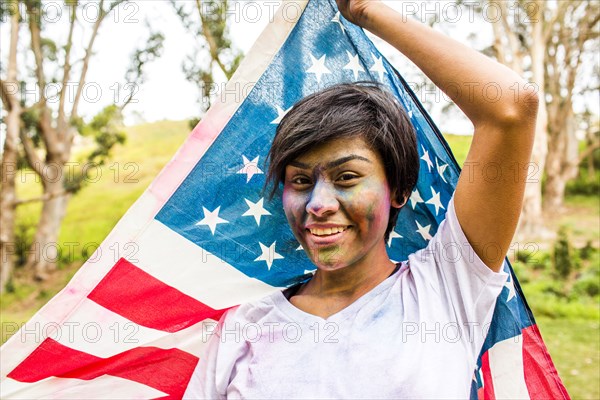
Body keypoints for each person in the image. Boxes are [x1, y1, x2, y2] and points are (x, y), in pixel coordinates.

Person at [187, 0, 538, 398]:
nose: (318, 204)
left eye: (347, 177)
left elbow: (511, 105)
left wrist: (364, 9)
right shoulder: (242, 329)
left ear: (400, 190)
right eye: (300, 181)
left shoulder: (445, 286)